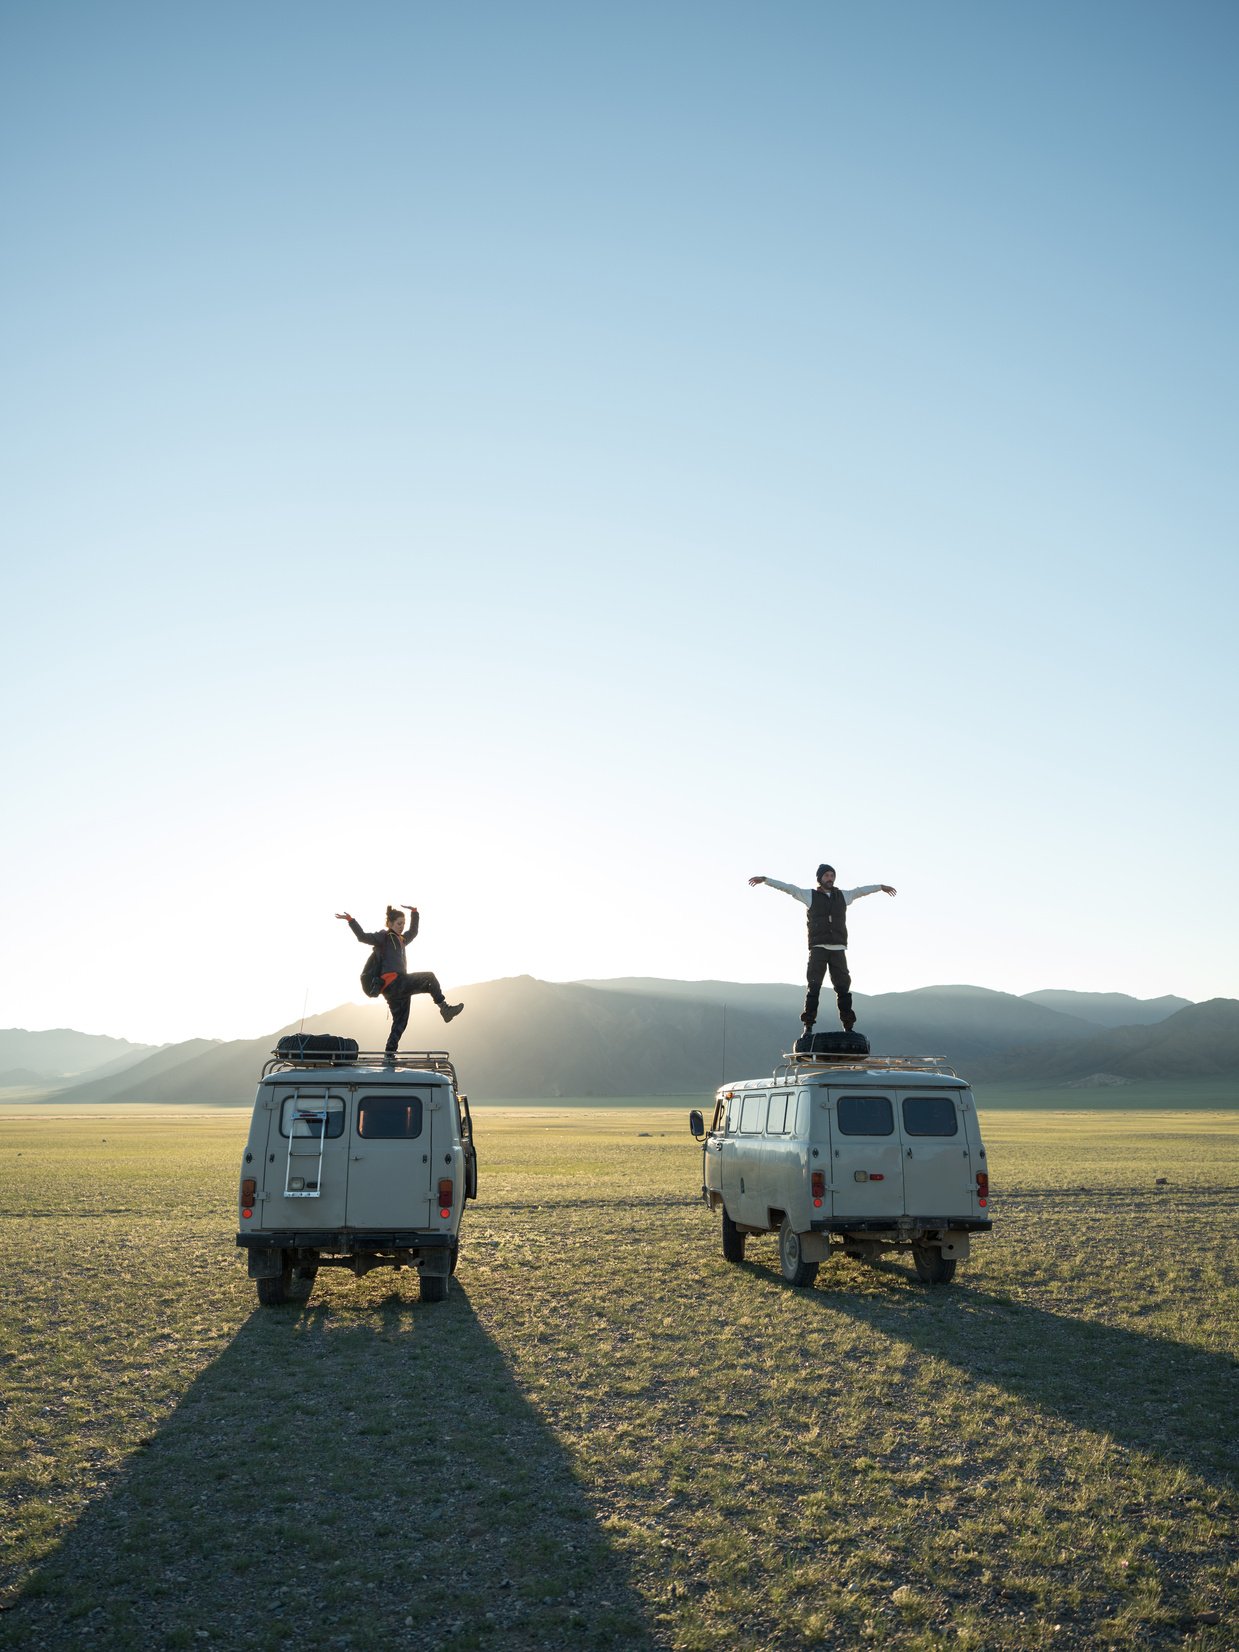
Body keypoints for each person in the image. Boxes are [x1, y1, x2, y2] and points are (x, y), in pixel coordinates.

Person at [748, 865, 896, 1033]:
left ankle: (848, 1027)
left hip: (838, 948)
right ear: (820, 878)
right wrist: (766, 880)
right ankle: (808, 1026)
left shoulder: (843, 896)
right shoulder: (809, 895)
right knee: (814, 987)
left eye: (832, 875)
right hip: (818, 948)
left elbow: (861, 891)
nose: (830, 878)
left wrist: (880, 887)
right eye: (826, 875)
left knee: (843, 989)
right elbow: (788, 888)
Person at [336, 904, 463, 1058]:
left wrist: (415, 913)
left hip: (395, 990)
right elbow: (362, 937)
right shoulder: (384, 937)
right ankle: (445, 1008)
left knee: (400, 1022)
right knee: (429, 977)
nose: (402, 927)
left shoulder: (402, 939)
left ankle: (389, 1053)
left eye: (403, 923)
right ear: (390, 924)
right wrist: (351, 920)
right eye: (399, 923)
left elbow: (414, 931)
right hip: (394, 982)